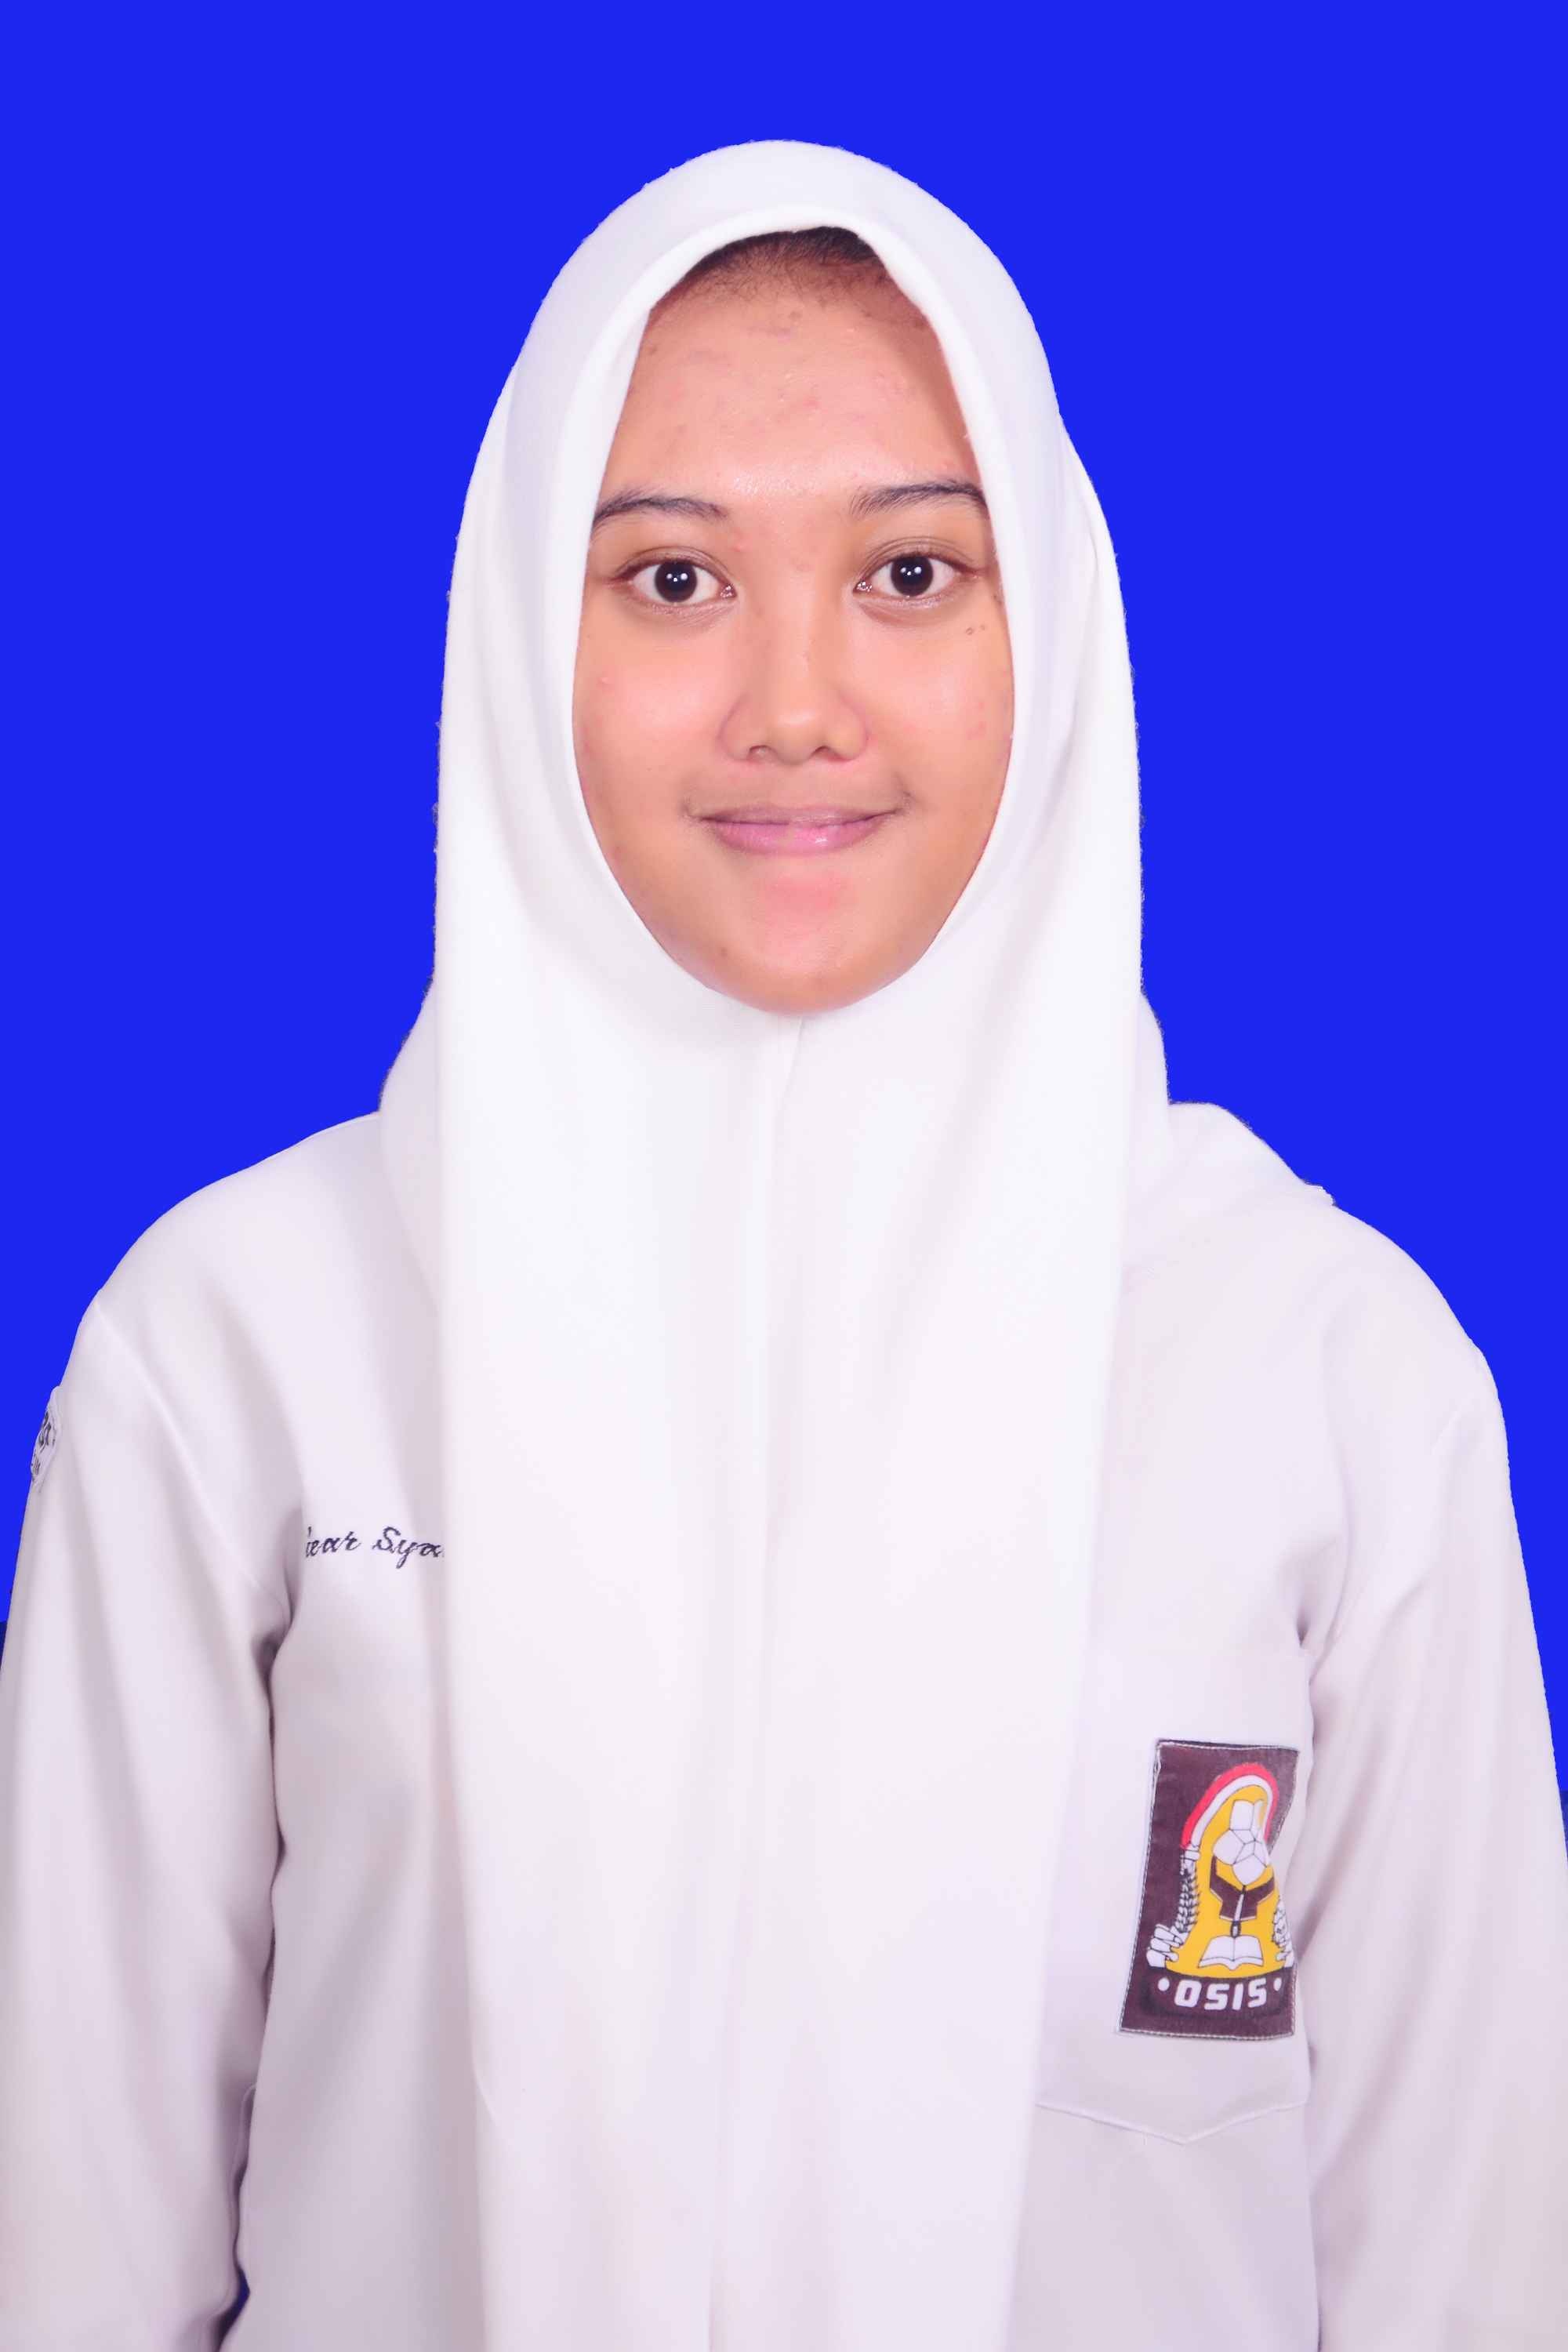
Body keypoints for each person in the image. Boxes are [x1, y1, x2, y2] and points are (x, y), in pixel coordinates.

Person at [1, 139, 1563, 2352]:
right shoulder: (242, 1348)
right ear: (519, 627)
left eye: (913, 574)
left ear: (1055, 624)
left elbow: (1474, 2271)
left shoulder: (1326, 1372)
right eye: (672, 580)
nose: (796, 704)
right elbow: (68, 2254)